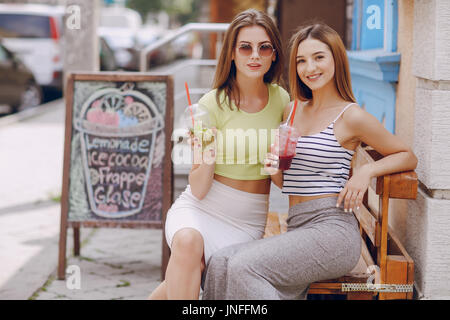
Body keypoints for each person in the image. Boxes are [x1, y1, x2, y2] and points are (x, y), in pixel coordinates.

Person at [201, 23, 418, 300]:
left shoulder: (350, 116)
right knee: (220, 262)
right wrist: (274, 167)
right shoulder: (292, 111)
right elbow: (286, 182)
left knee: (243, 268)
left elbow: (407, 155)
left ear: (336, 60)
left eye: (319, 57)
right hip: (299, 225)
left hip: (333, 231)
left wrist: (367, 171)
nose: (309, 68)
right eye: (301, 61)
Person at [148, 9, 290, 300]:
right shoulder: (209, 105)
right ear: (232, 54)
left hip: (246, 222)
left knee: (187, 269)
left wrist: (278, 165)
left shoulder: (282, 101)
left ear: (274, 54)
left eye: (264, 47)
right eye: (245, 47)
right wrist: (208, 155)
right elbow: (198, 190)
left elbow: (282, 182)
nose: (255, 55)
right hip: (200, 208)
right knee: (187, 243)